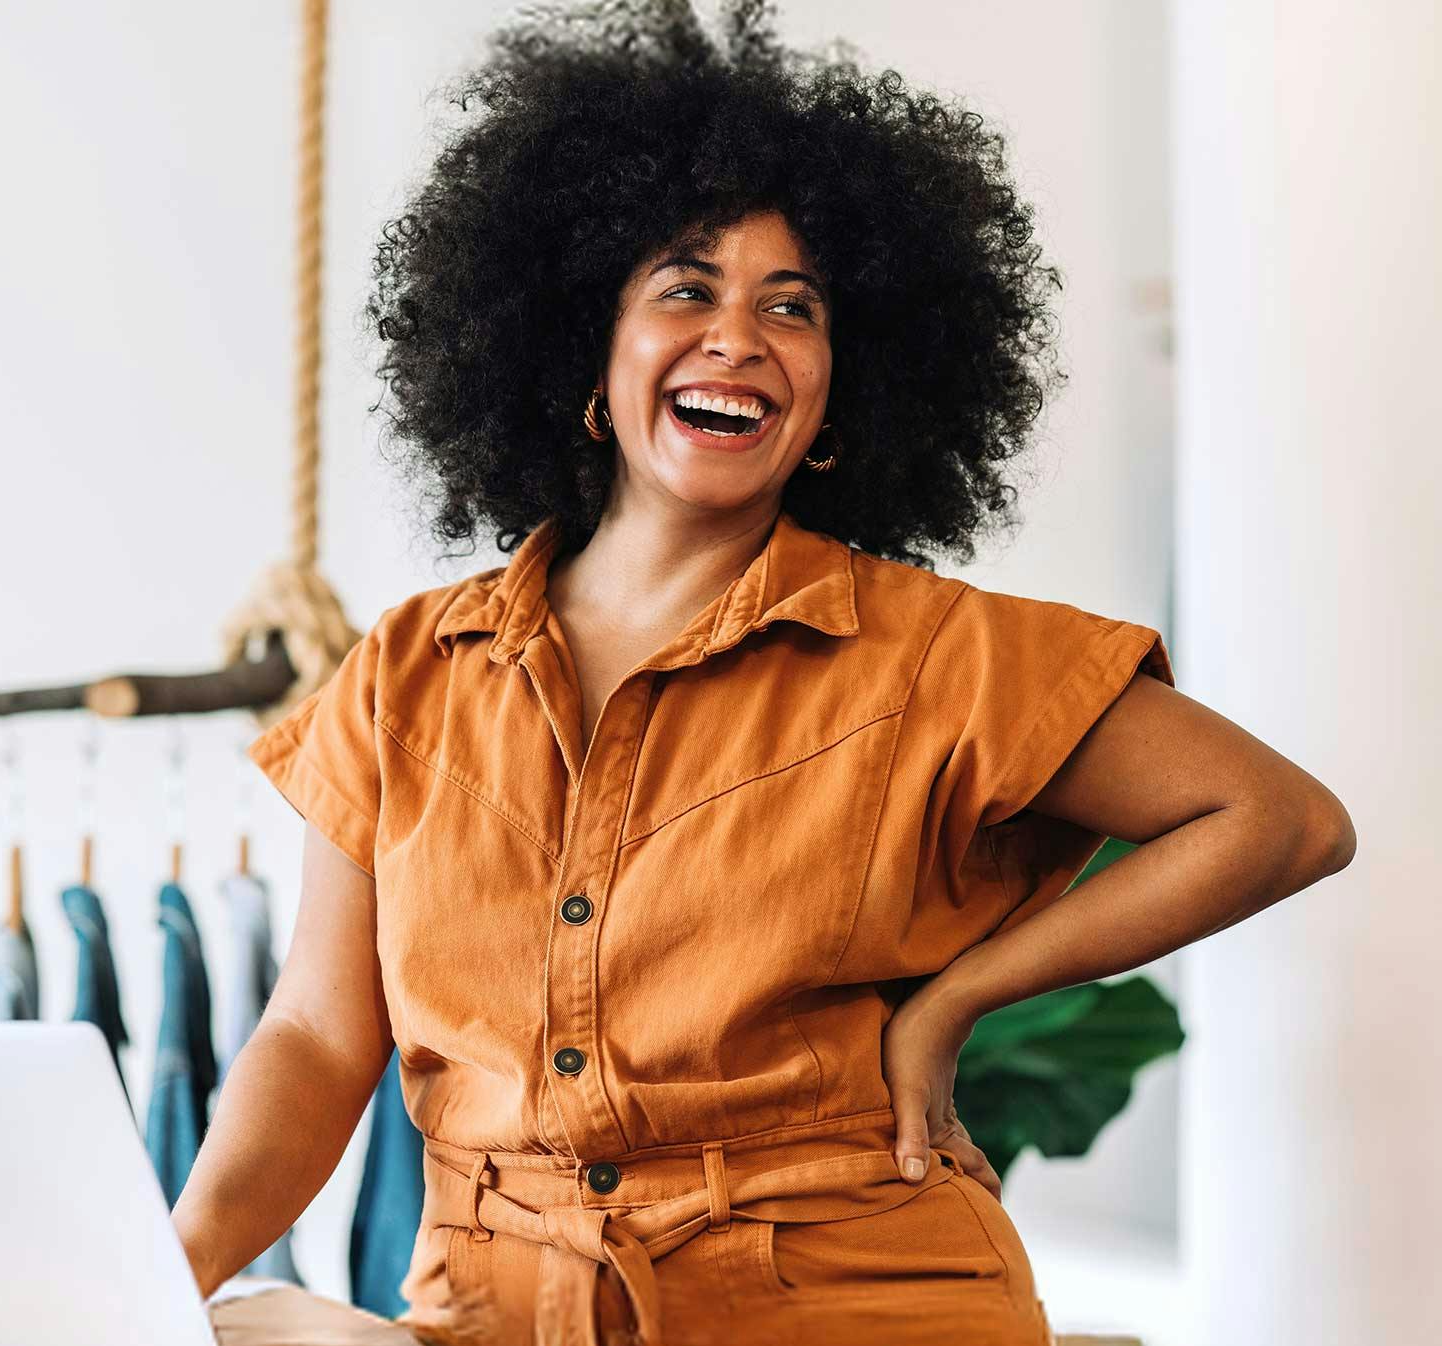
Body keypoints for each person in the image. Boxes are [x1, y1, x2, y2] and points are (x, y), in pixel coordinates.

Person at [170, 4, 1353, 1342]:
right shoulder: (404, 673)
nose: (739, 337)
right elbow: (321, 1042)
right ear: (583, 352)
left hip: (850, 1304)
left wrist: (961, 994)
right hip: (497, 1307)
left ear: (840, 396)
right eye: (687, 290)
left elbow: (1283, 818)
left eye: (790, 308)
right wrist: (163, 1269)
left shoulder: (935, 655)